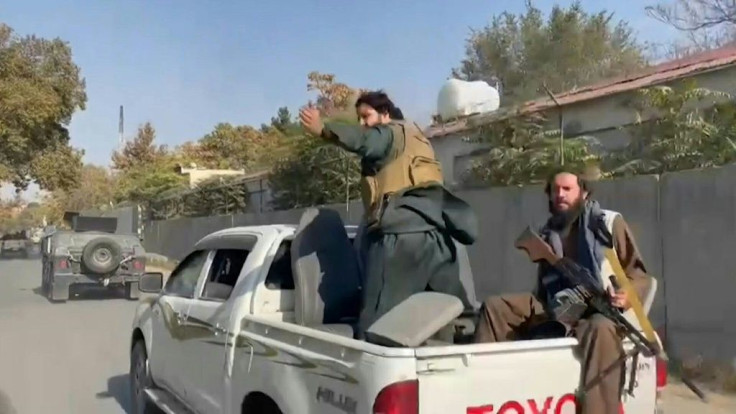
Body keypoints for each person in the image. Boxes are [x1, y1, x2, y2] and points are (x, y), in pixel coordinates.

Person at [299, 90, 478, 337]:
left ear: (385, 114)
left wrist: (324, 129)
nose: (363, 124)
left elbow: (364, 143)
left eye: (366, 116)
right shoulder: (416, 137)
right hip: (437, 237)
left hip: (400, 239)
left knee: (378, 325)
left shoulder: (387, 134)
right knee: (452, 317)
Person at [473, 170, 653, 414]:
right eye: (555, 189)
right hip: (557, 303)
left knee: (600, 329)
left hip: (599, 309)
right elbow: (546, 282)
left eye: (567, 189)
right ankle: (483, 394)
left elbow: (638, 274)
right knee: (497, 307)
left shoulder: (607, 224)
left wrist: (628, 295)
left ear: (584, 192)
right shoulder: (548, 230)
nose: (560, 195)